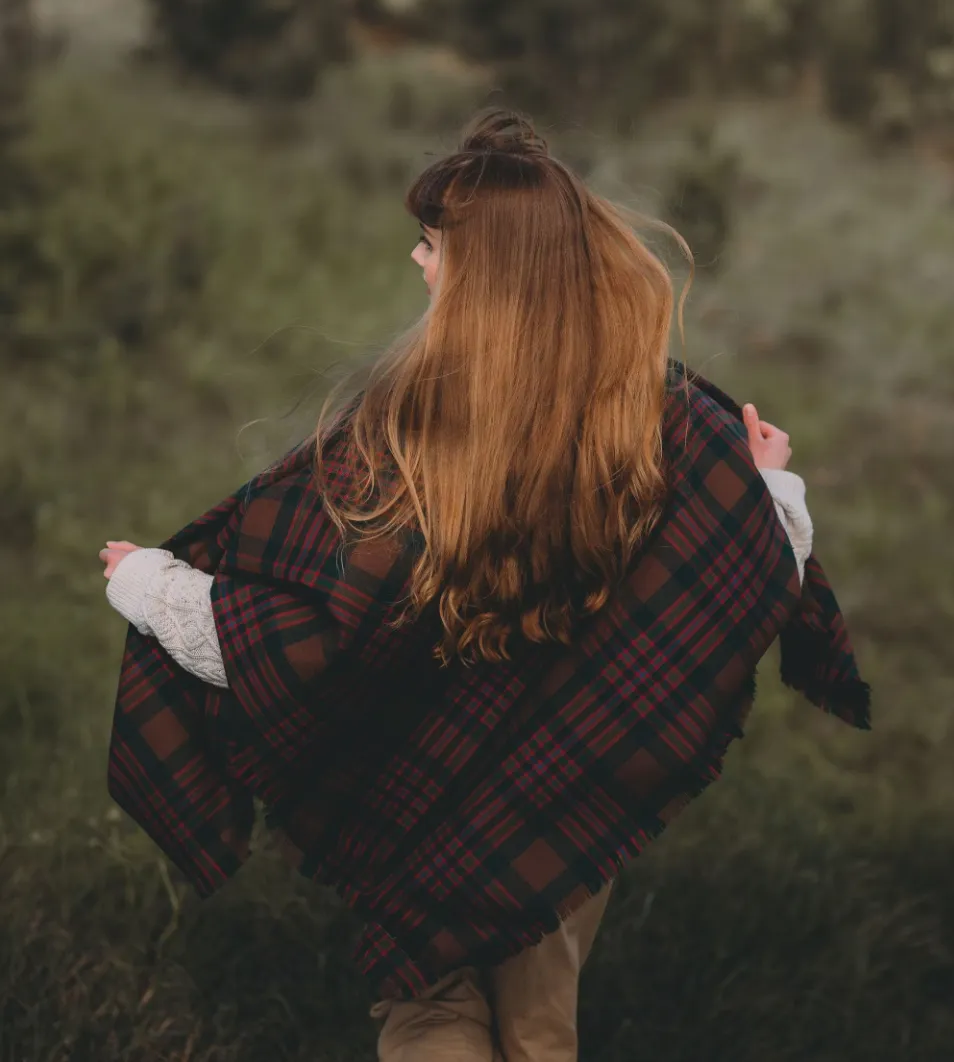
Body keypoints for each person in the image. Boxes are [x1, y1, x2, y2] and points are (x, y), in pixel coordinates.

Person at [102, 108, 868, 1062]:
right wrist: (773, 486)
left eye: (432, 245)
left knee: (429, 1015)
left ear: (489, 269)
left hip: (422, 793)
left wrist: (149, 584)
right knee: (542, 1026)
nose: (418, 262)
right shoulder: (657, 417)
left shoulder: (413, 434)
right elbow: (754, 579)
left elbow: (309, 642)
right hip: (568, 789)